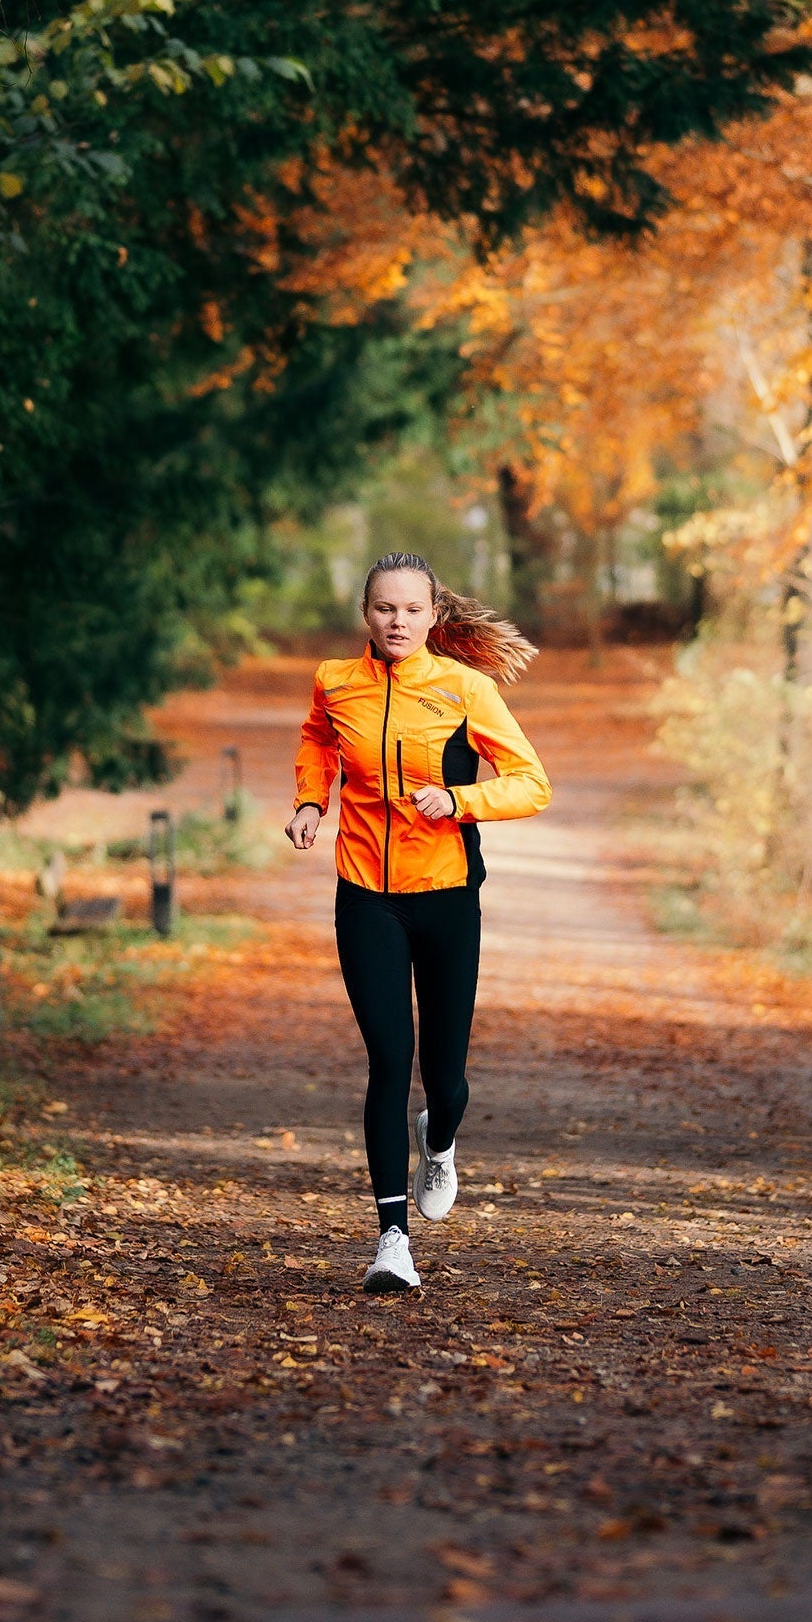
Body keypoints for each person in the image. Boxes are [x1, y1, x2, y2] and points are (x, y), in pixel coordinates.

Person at [287, 551, 552, 1293]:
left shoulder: (467, 688)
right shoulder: (335, 682)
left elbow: (533, 782)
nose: (396, 621)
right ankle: (392, 1240)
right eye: (383, 609)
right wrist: (312, 801)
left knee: (445, 1075)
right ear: (365, 615)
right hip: (365, 892)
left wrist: (460, 802)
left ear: (434, 616)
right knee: (387, 1062)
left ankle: (441, 1142)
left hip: (445, 894)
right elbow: (317, 742)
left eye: (410, 609)